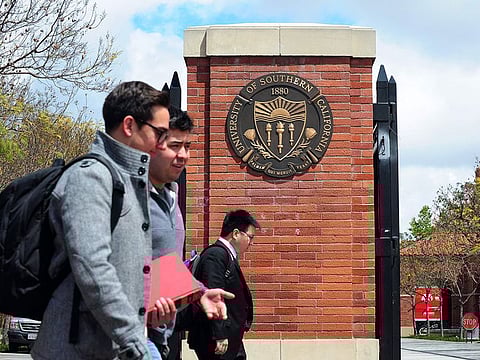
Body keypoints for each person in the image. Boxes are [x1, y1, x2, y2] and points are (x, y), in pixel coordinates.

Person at [31, 81, 232, 360]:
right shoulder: (91, 177)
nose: (163, 144)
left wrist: (197, 294)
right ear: (129, 126)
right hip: (79, 351)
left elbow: (147, 267)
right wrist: (134, 341)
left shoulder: (132, 184)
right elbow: (93, 268)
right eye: (160, 133)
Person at [148, 106, 194, 359]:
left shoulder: (170, 198)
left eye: (187, 147)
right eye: (176, 146)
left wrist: (200, 294)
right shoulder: (123, 193)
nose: (183, 155)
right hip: (125, 340)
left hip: (157, 336)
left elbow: (167, 262)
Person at [188, 209, 260, 360]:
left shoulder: (226, 255)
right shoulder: (216, 255)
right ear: (235, 234)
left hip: (229, 338)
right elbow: (214, 295)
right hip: (216, 341)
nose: (251, 243)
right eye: (250, 237)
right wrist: (219, 335)